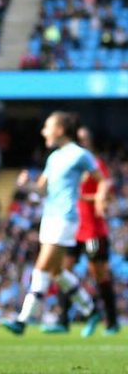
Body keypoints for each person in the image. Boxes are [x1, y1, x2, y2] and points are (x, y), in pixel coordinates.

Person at [2, 112, 104, 336]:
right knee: (57, 272)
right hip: (48, 217)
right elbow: (42, 189)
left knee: (42, 266)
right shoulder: (53, 157)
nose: (43, 131)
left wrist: (100, 198)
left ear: (59, 130)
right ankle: (91, 309)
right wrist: (27, 184)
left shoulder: (80, 154)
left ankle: (23, 320)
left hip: (65, 217)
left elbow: (101, 180)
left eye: (47, 127)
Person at [49, 125, 118, 336]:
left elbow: (108, 195)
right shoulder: (70, 165)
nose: (82, 144)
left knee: (99, 274)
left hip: (93, 229)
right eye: (79, 140)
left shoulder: (96, 165)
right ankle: (62, 321)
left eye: (85, 140)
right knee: (62, 271)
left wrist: (93, 199)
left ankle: (111, 322)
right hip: (72, 227)